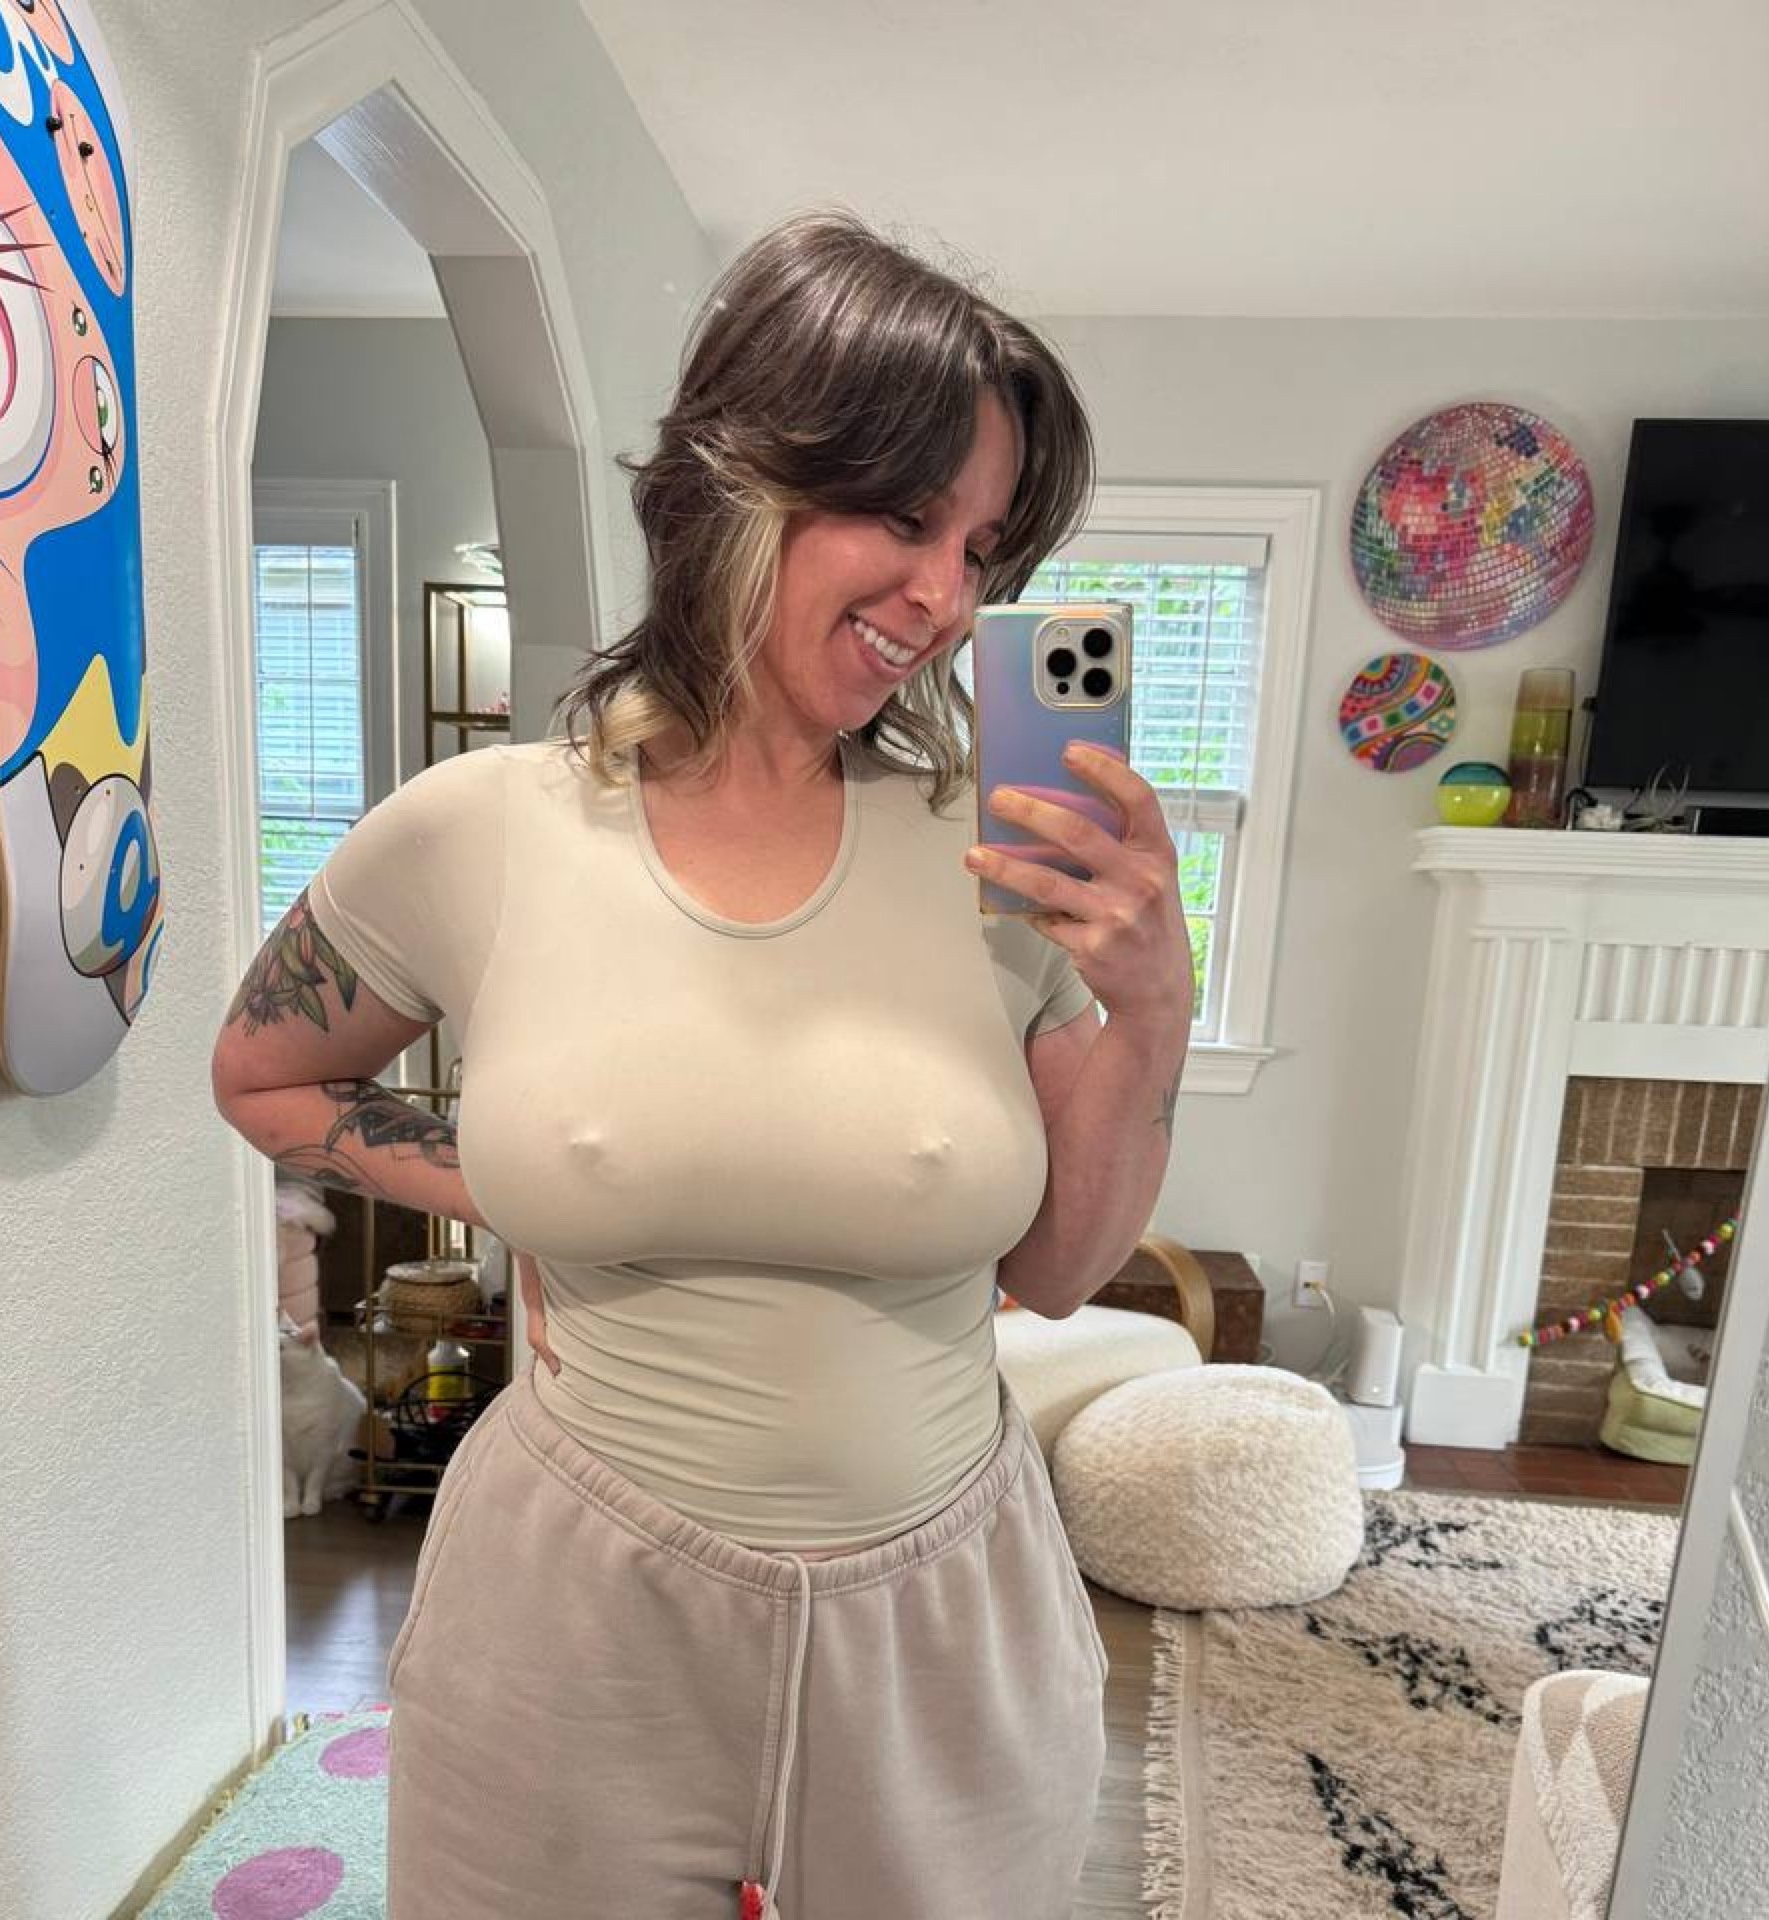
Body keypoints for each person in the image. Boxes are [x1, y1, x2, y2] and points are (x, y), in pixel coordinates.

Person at [212, 207, 1194, 1920]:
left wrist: (1155, 1011)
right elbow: (261, 1074)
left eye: (982, 549)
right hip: (571, 1624)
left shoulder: (997, 854)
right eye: (905, 516)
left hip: (940, 1626)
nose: (947, 597)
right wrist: (500, 1176)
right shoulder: (480, 832)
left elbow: (1055, 1268)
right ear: (737, 476)